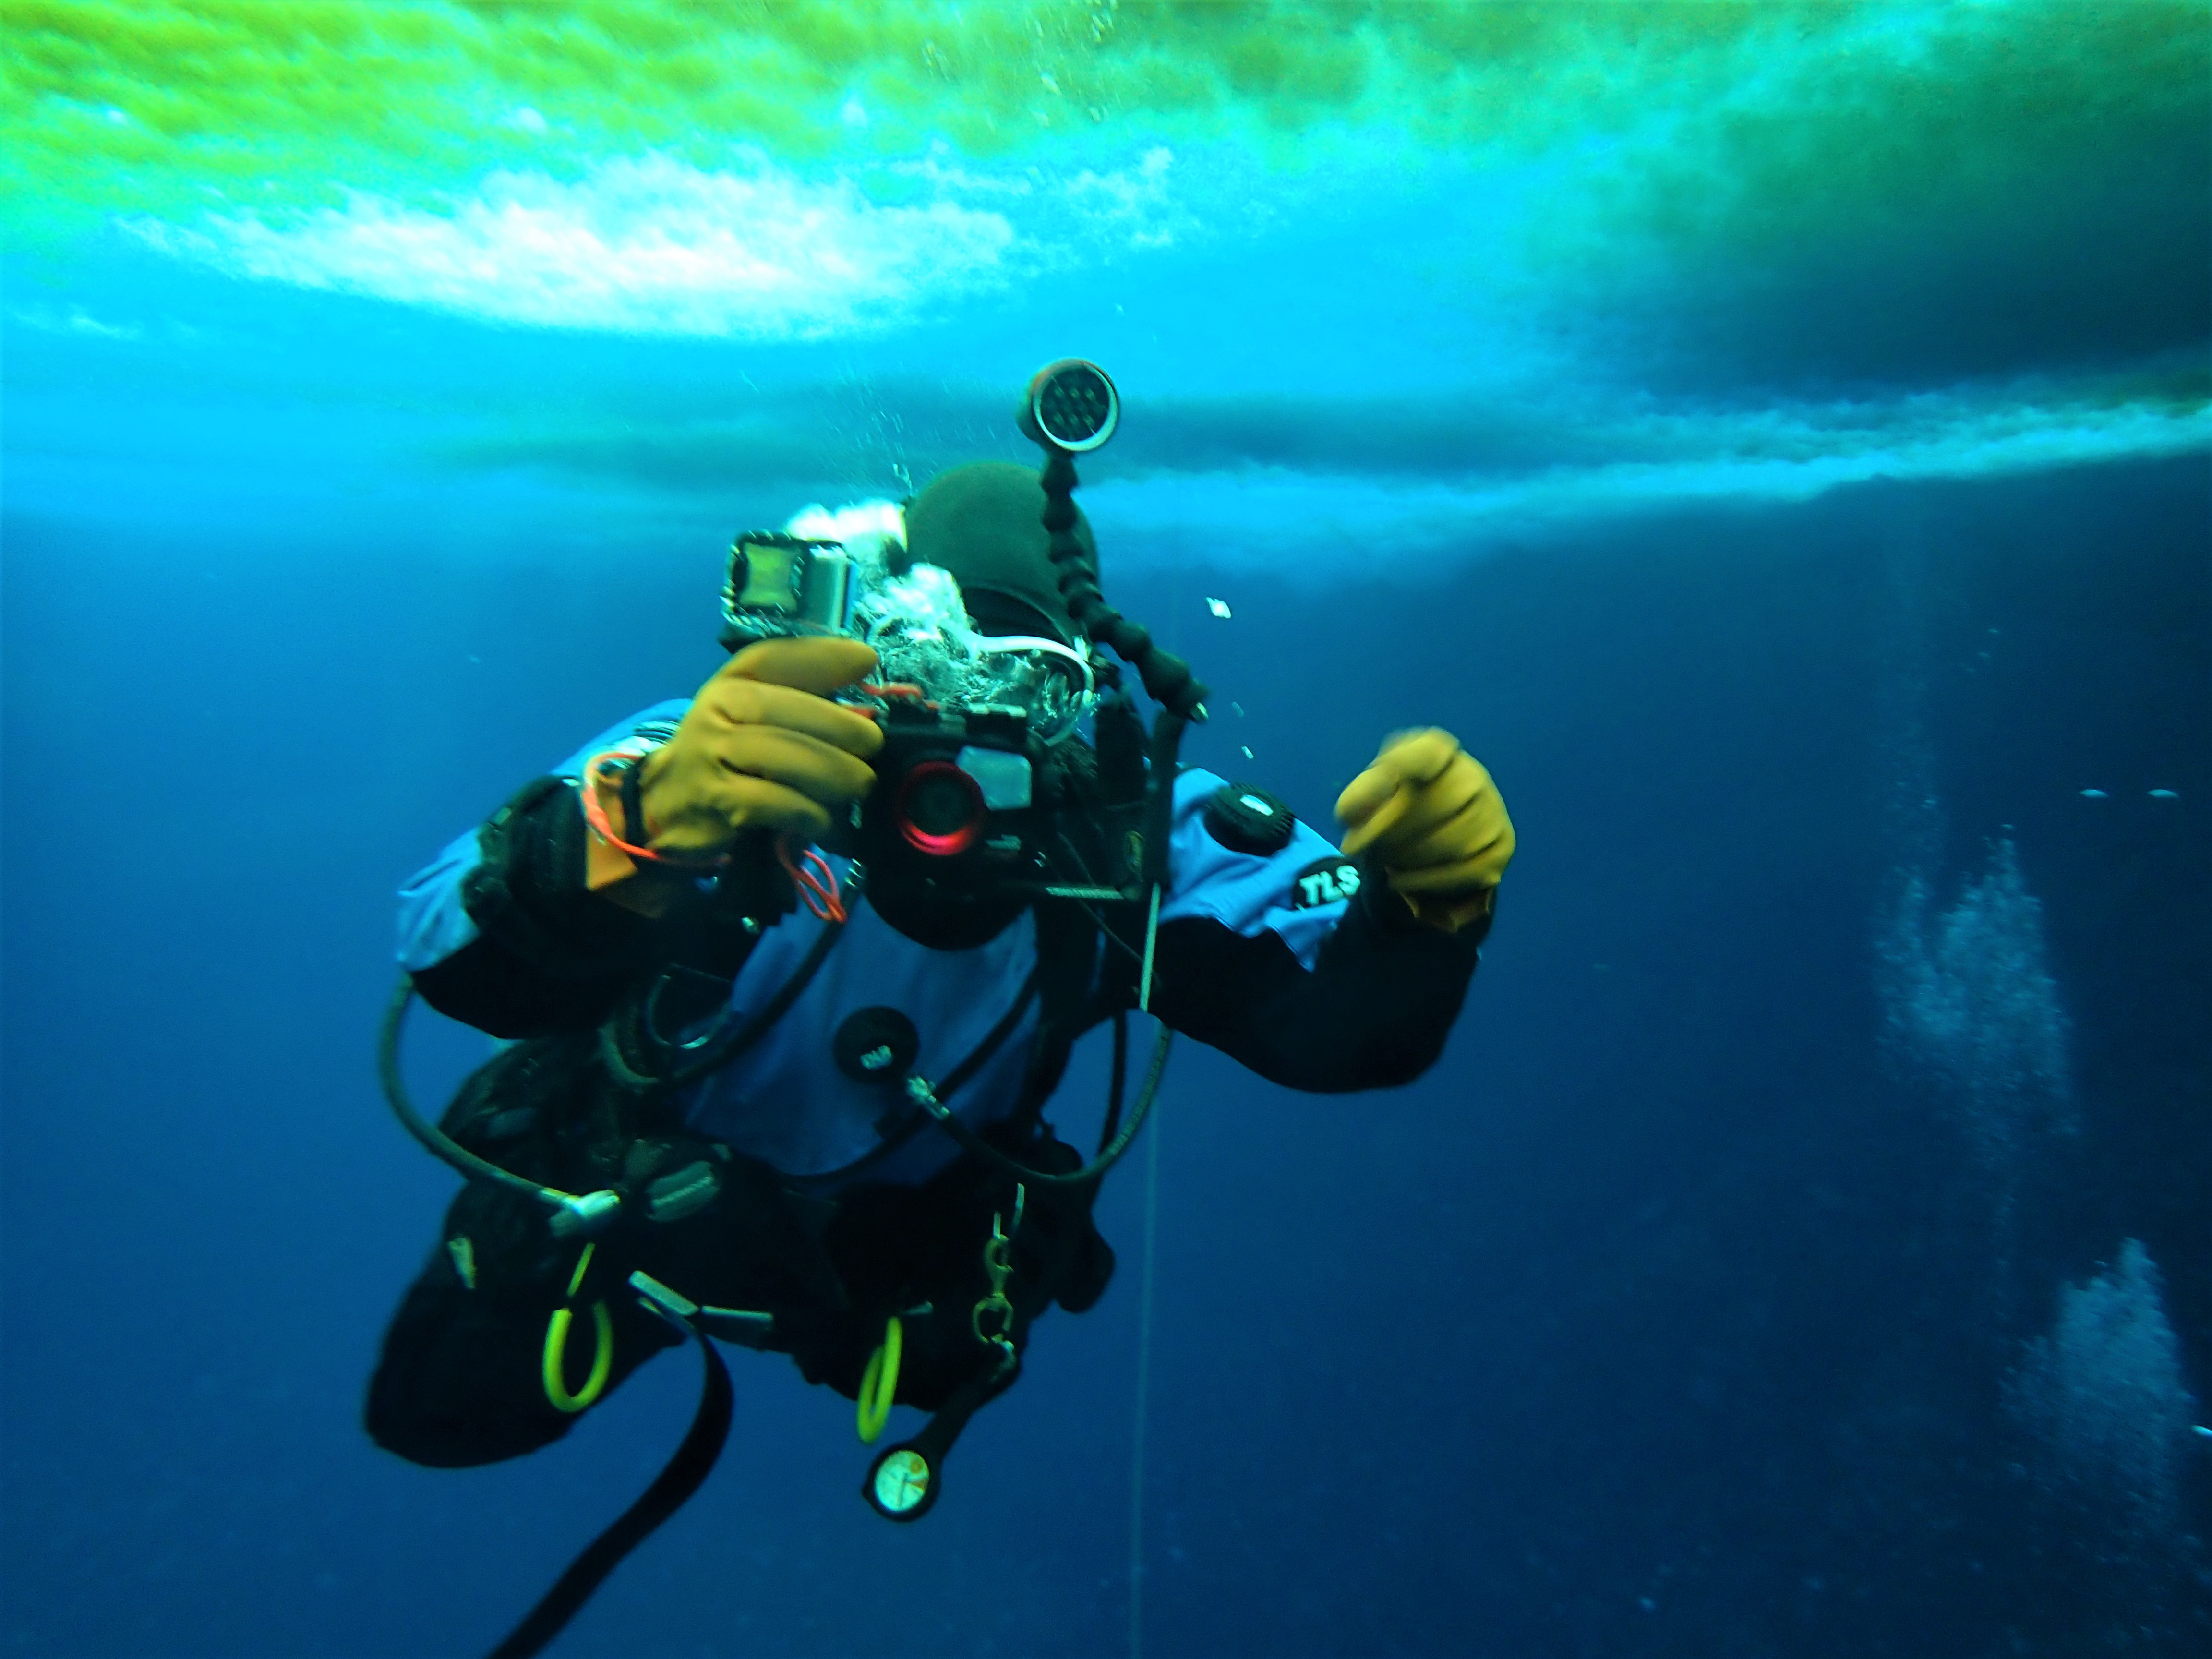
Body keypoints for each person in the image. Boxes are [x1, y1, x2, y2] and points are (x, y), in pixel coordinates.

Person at [367, 458, 1515, 1505]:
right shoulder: (729, 760)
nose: (970, 738)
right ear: (866, 649)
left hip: (875, 1268)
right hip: (619, 1203)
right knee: (436, 1416)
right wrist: (635, 824)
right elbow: (440, 940)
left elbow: (1338, 1032)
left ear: (1087, 694)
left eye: (1027, 690)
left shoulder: (1131, 837)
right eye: (928, 674)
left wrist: (1427, 910)